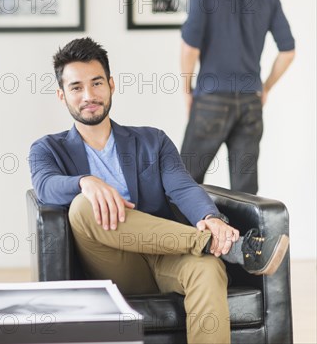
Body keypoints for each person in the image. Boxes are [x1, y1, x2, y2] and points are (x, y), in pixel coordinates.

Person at [29, 37, 289, 344]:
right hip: (112, 263)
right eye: (76, 87)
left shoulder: (152, 140)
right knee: (83, 206)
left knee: (207, 269)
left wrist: (211, 217)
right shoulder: (47, 149)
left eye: (97, 83)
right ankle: (222, 245)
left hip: (166, 252)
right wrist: (85, 182)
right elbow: (45, 186)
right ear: (62, 95)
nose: (89, 95)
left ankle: (211, 244)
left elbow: (182, 186)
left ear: (111, 84)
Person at [180, 0, 295, 194]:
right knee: (245, 191)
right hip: (250, 103)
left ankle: (186, 238)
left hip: (211, 99)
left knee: (183, 182)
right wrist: (264, 88)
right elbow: (288, 52)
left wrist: (187, 91)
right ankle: (250, 238)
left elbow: (189, 48)